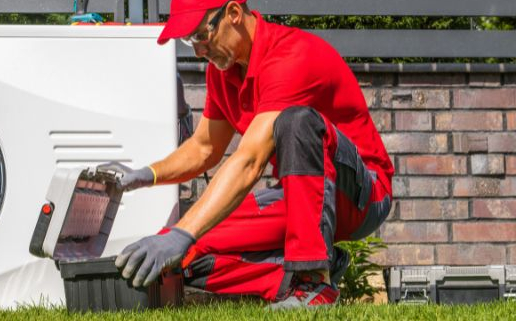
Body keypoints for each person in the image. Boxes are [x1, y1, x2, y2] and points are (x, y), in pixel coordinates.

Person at [98, 0, 393, 308]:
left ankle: (313, 280)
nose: (198, 51)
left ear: (234, 14)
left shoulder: (291, 56)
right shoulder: (223, 72)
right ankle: (304, 273)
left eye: (200, 35)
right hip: (301, 198)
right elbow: (204, 148)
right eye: (189, 41)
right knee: (184, 252)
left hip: (362, 195)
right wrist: (147, 175)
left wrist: (184, 231)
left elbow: (250, 160)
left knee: (296, 122)